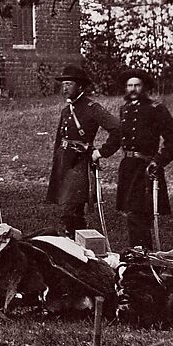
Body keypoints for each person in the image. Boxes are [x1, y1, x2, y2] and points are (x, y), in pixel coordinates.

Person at [45, 63, 121, 237]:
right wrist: (57, 163)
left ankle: (76, 242)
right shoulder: (66, 110)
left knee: (70, 208)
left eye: (69, 84)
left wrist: (101, 152)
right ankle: (79, 241)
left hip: (79, 164)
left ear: (80, 86)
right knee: (71, 209)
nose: (64, 88)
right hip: (64, 162)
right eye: (63, 84)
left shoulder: (91, 108)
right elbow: (59, 140)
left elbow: (117, 128)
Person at [114, 68, 173, 249]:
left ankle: (143, 258)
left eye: (137, 85)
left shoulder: (156, 109)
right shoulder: (125, 109)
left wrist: (158, 161)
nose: (133, 89)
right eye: (129, 85)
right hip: (128, 167)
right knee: (131, 214)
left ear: (144, 87)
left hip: (145, 168)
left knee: (139, 215)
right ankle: (139, 256)